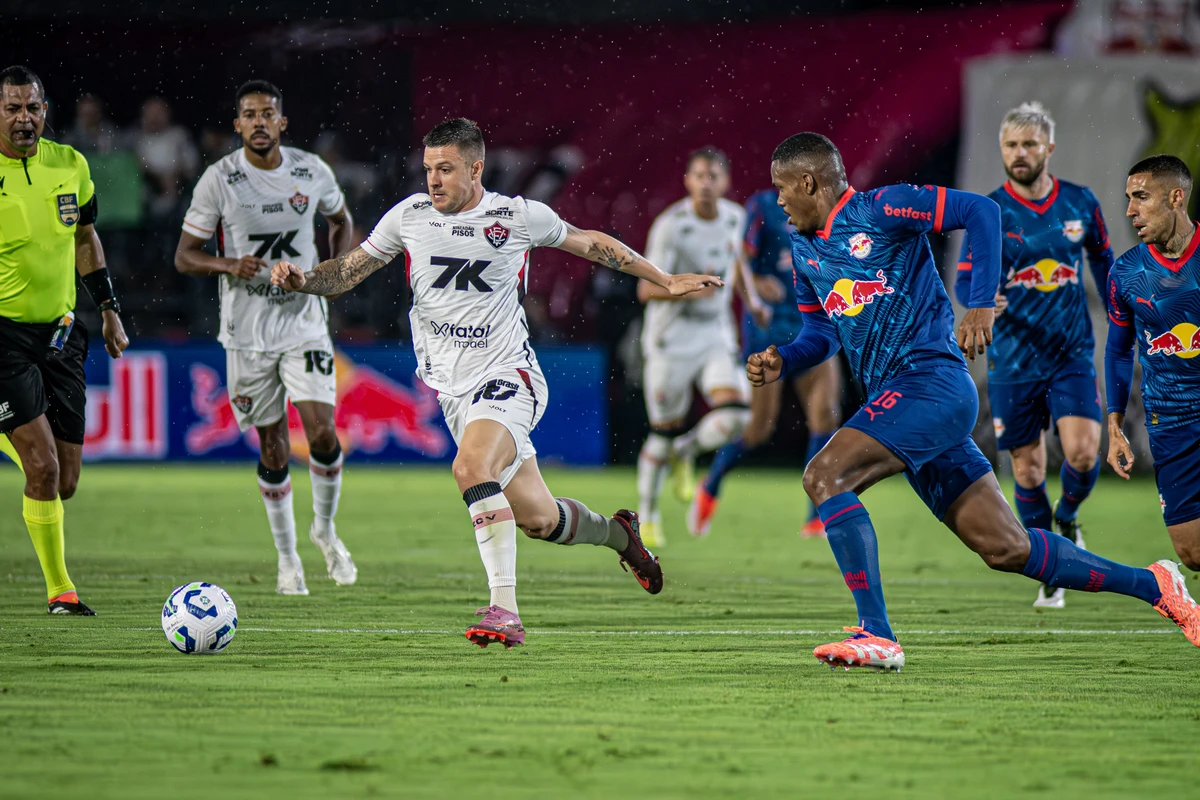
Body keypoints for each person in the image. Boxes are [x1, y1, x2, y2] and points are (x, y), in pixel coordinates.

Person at [747, 133, 1200, 671]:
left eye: (781, 189)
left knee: (825, 475)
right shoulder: (805, 250)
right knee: (1007, 548)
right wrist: (785, 359)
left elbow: (980, 210)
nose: (777, 201)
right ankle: (1156, 586)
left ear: (808, 182)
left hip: (930, 383)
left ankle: (878, 634)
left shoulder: (884, 207)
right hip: (905, 404)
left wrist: (982, 303)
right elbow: (821, 332)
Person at [271, 118, 720, 648]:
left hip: (510, 376)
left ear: (476, 168)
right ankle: (620, 533)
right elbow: (348, 270)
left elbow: (591, 243)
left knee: (469, 467)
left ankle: (503, 609)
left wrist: (664, 279)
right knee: (538, 518)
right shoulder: (409, 218)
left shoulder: (516, 215)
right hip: (455, 392)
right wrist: (305, 280)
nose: (432, 180)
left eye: (446, 169)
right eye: (428, 168)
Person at [175, 80, 357, 596]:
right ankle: (287, 558)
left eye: (267, 113)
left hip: (303, 320)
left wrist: (330, 271)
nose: (258, 122)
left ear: (282, 122)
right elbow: (185, 255)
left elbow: (340, 219)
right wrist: (230, 263)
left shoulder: (310, 170)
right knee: (273, 446)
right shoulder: (220, 179)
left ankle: (325, 528)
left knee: (321, 432)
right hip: (247, 333)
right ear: (237, 125)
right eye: (249, 115)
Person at [956, 102, 1114, 609]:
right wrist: (982, 299)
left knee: (1085, 453)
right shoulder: (990, 211)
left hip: (1070, 350)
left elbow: (1104, 262)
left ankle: (1066, 516)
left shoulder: (1080, 203)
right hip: (1013, 359)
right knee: (1026, 471)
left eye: (1028, 144)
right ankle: (1051, 562)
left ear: (1049, 147)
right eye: (1010, 145)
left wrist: (1126, 308)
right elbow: (964, 276)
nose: (1018, 154)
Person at [0, 65, 130, 615]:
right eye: (12, 108)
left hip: (61, 333)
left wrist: (108, 309)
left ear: (45, 110)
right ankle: (62, 592)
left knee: (65, 480)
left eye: (32, 108)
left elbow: (85, 237)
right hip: (3, 337)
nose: (23, 118)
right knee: (43, 468)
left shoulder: (70, 165)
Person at [689, 186, 843, 538]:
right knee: (759, 430)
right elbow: (738, 258)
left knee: (826, 416)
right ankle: (710, 485)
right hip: (770, 330)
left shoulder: (830, 208)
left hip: (813, 325)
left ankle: (816, 514)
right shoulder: (761, 206)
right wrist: (755, 289)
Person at [636, 147, 762, 547]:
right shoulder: (671, 226)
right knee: (661, 433)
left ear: (725, 182)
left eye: (714, 177)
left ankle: (686, 452)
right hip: (671, 339)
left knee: (737, 416)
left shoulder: (735, 217)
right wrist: (690, 291)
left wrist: (753, 299)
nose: (706, 184)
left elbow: (735, 262)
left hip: (715, 336)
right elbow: (644, 288)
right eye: (699, 176)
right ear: (688, 181)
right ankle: (649, 514)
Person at [1106, 154, 1200, 572]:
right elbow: (1118, 350)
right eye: (1128, 198)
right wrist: (1114, 423)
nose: (1130, 211)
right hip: (1171, 421)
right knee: (1191, 554)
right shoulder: (1125, 273)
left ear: (1176, 197)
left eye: (1141, 197)